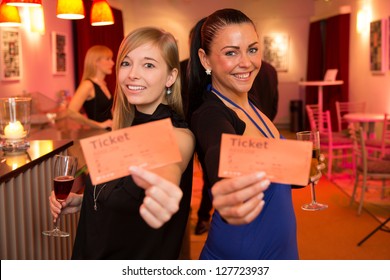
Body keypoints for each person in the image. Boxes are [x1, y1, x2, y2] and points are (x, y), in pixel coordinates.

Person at [49, 27, 195, 259]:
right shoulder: (126, 128)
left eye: (148, 65)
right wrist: (83, 200)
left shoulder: (177, 134)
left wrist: (164, 188)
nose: (132, 74)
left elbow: (169, 167)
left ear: (171, 77)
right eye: (126, 63)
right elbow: (110, 188)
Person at [187, 8, 305, 259]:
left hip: (280, 247)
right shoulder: (211, 113)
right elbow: (219, 151)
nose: (246, 62)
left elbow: (270, 165)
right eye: (231, 52)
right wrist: (226, 188)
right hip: (244, 255)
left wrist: (305, 167)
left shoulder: (251, 103)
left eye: (252, 49)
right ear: (205, 60)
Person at [66, 45, 115, 130]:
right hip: (97, 135)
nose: (112, 63)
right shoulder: (88, 85)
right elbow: (71, 112)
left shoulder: (103, 84)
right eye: (108, 59)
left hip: (108, 133)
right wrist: (99, 125)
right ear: (96, 62)